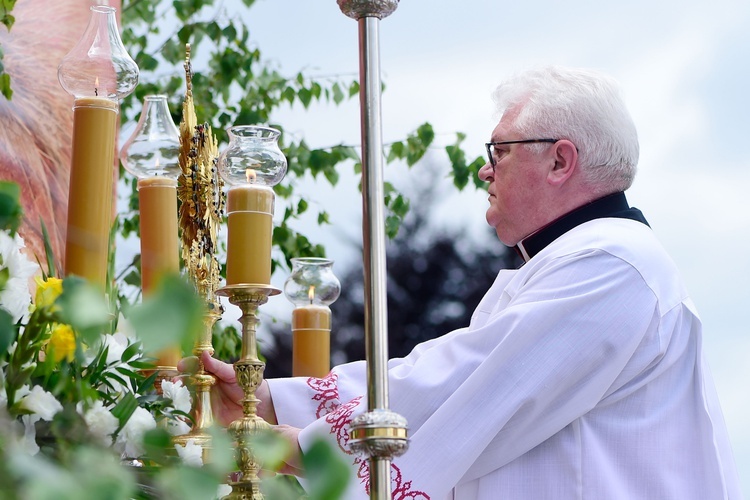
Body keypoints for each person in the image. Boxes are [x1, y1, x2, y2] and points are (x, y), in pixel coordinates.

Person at [192, 66, 742, 499]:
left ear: (560, 161)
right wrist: (272, 401)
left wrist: (303, 445)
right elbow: (448, 374)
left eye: (499, 151)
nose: (485, 171)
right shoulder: (578, 264)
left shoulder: (615, 264)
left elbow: (474, 383)